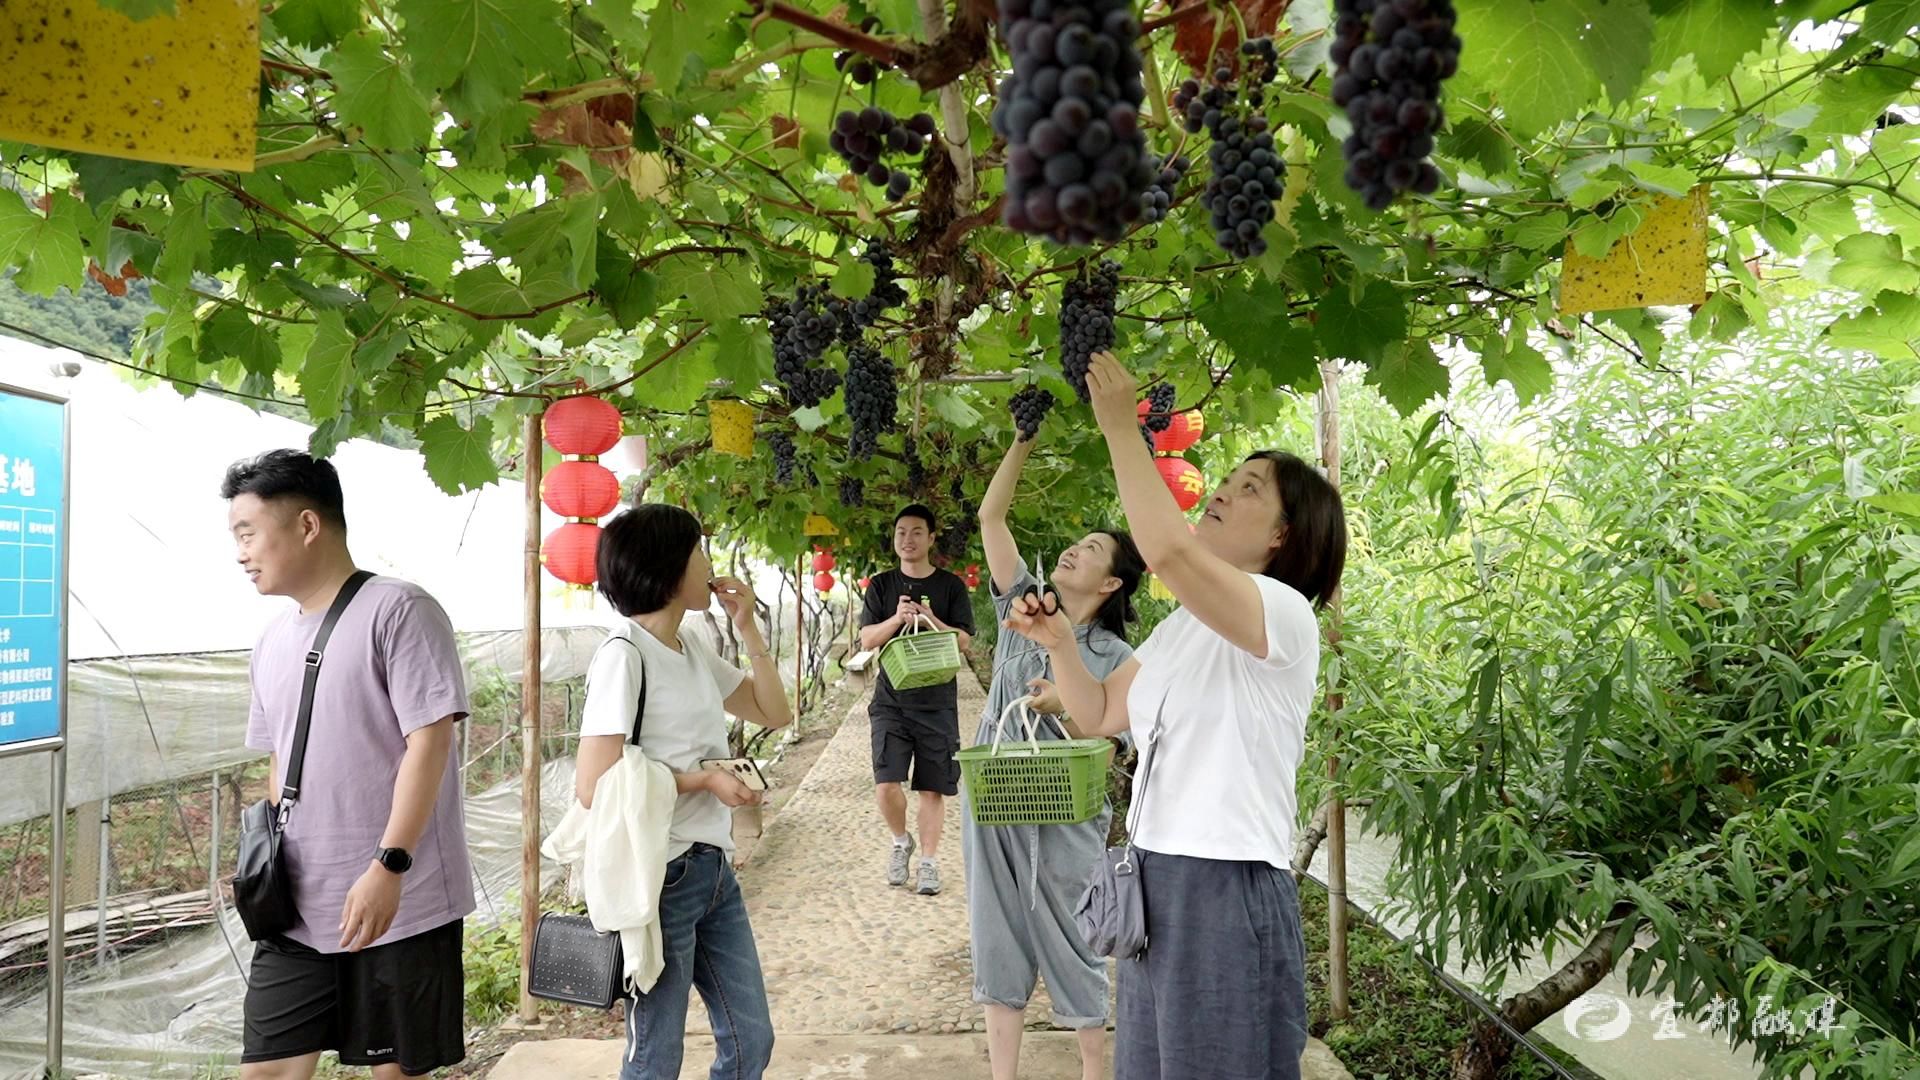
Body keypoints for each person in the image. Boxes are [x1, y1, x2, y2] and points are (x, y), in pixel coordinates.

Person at [1003, 353, 1348, 1080]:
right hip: (1152, 879)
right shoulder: (1183, 628)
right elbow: (1100, 712)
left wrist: (1119, 428)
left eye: (1249, 489)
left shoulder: (1283, 613)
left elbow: (1166, 551)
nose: (1222, 491)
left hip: (1224, 886)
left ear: (1283, 535)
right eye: (1228, 479)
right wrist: (1060, 642)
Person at [225, 450, 473, 1080]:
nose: (240, 553)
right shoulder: (270, 640)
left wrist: (389, 865)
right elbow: (280, 758)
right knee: (266, 1072)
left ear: (307, 525)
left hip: (400, 899)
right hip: (297, 907)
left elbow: (430, 743)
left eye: (248, 533)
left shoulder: (400, 609)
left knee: (396, 1074)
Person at [573, 503, 792, 1080]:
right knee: (656, 1056)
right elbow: (594, 784)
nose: (708, 563)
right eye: (698, 551)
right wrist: (704, 780)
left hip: (713, 870)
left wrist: (748, 629)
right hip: (661, 876)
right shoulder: (623, 655)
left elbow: (775, 712)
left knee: (751, 1040)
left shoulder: (689, 645)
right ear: (669, 565)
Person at [966, 433, 1145, 1080]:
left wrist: (1060, 708)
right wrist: (1022, 440)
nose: (1074, 550)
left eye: (1092, 550)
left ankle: (1094, 1072)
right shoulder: (1020, 609)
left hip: (1067, 816)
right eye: (1077, 544)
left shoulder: (1118, 658)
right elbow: (991, 517)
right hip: (994, 798)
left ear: (1111, 582)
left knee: (1076, 937)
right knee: (996, 938)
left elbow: (1111, 742)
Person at [857, 503, 975, 894]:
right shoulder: (881, 585)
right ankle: (900, 842)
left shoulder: (950, 586)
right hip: (891, 702)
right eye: (901, 533)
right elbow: (867, 640)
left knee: (932, 788)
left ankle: (928, 863)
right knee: (886, 785)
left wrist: (929, 617)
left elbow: (964, 641)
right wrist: (897, 618)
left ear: (931, 538)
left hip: (937, 703)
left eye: (917, 532)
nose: (908, 540)